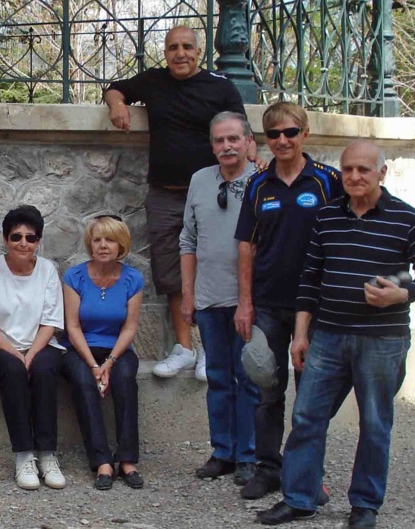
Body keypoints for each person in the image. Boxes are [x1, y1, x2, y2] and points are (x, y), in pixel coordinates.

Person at [257, 140, 415, 527]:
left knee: (374, 424)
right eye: (349, 170)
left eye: (364, 169)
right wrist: (301, 334)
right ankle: (300, 498)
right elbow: (310, 278)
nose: (355, 177)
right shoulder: (326, 217)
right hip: (327, 336)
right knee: (307, 417)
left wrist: (401, 294)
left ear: (381, 173)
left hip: (383, 341)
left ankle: (364, 505)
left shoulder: (405, 219)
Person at [104, 25, 248, 381]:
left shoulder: (220, 86)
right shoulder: (154, 81)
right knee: (170, 270)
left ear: (199, 51)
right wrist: (118, 103)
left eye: (186, 47)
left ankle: (208, 349)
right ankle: (185, 348)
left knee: (213, 265)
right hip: (164, 193)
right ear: (165, 52)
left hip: (211, 193)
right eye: (172, 48)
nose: (179, 53)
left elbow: (243, 132)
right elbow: (113, 89)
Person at [233, 101, 344, 500]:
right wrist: (244, 303)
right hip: (267, 304)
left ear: (305, 134)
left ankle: (306, 472)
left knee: (311, 396)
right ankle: (268, 469)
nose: (282, 140)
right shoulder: (258, 186)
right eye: (274, 134)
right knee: (266, 388)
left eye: (290, 132)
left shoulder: (329, 182)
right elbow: (245, 245)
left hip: (314, 307)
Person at [179, 112, 260, 485]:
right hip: (209, 298)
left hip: (249, 300)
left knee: (249, 378)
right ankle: (222, 451)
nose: (226, 146)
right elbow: (188, 240)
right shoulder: (199, 180)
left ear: (247, 141)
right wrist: (188, 295)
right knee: (217, 376)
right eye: (218, 140)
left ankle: (249, 454)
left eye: (233, 139)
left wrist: (250, 300)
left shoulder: (262, 182)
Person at [0, 205, 66, 491]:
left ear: (38, 242)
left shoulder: (47, 270)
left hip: (39, 344)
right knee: (13, 371)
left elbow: (50, 323)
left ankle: (47, 455)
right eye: (16, 236)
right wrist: (15, 354)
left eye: (31, 238)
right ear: (5, 239)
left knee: (46, 368)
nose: (23, 243)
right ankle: (24, 455)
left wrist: (31, 354)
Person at [62, 215, 145, 491]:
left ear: (121, 244)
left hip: (117, 349)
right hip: (80, 347)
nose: (103, 245)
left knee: (124, 380)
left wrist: (108, 363)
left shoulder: (133, 278)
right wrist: (93, 366)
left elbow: (129, 328)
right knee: (84, 383)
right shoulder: (74, 276)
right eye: (97, 240)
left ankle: (127, 459)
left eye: (110, 239)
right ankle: (102, 462)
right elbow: (72, 327)